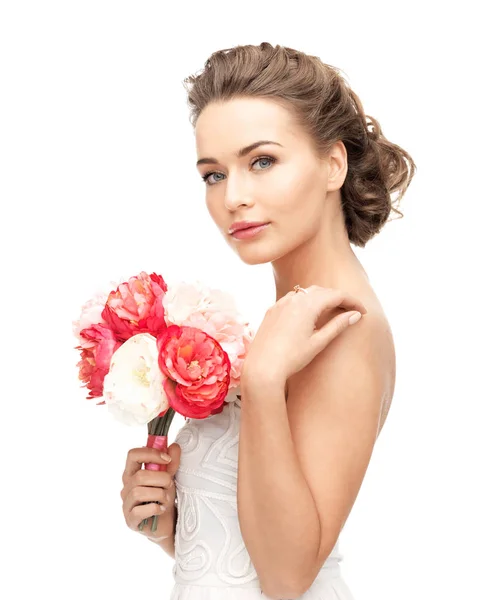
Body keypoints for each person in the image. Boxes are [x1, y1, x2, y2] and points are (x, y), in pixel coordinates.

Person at [120, 42, 416, 599]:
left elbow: (286, 579)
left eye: (262, 162)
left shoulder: (344, 327)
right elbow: (253, 550)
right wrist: (173, 521)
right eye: (213, 174)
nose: (234, 197)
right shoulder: (292, 321)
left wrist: (260, 381)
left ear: (333, 164)